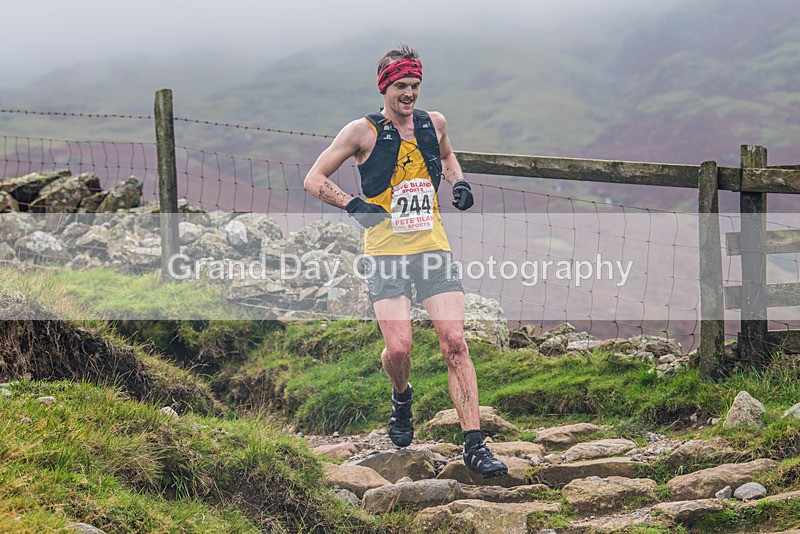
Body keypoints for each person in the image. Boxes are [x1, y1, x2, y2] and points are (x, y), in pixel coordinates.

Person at [303, 45, 507, 478]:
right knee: (399, 348)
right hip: (385, 253)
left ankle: (474, 444)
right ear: (385, 88)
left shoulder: (435, 124)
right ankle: (402, 395)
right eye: (401, 87)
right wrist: (353, 204)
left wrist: (460, 183)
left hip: (433, 249)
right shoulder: (362, 131)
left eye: (415, 86)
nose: (409, 94)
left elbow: (448, 156)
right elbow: (313, 178)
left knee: (454, 343)